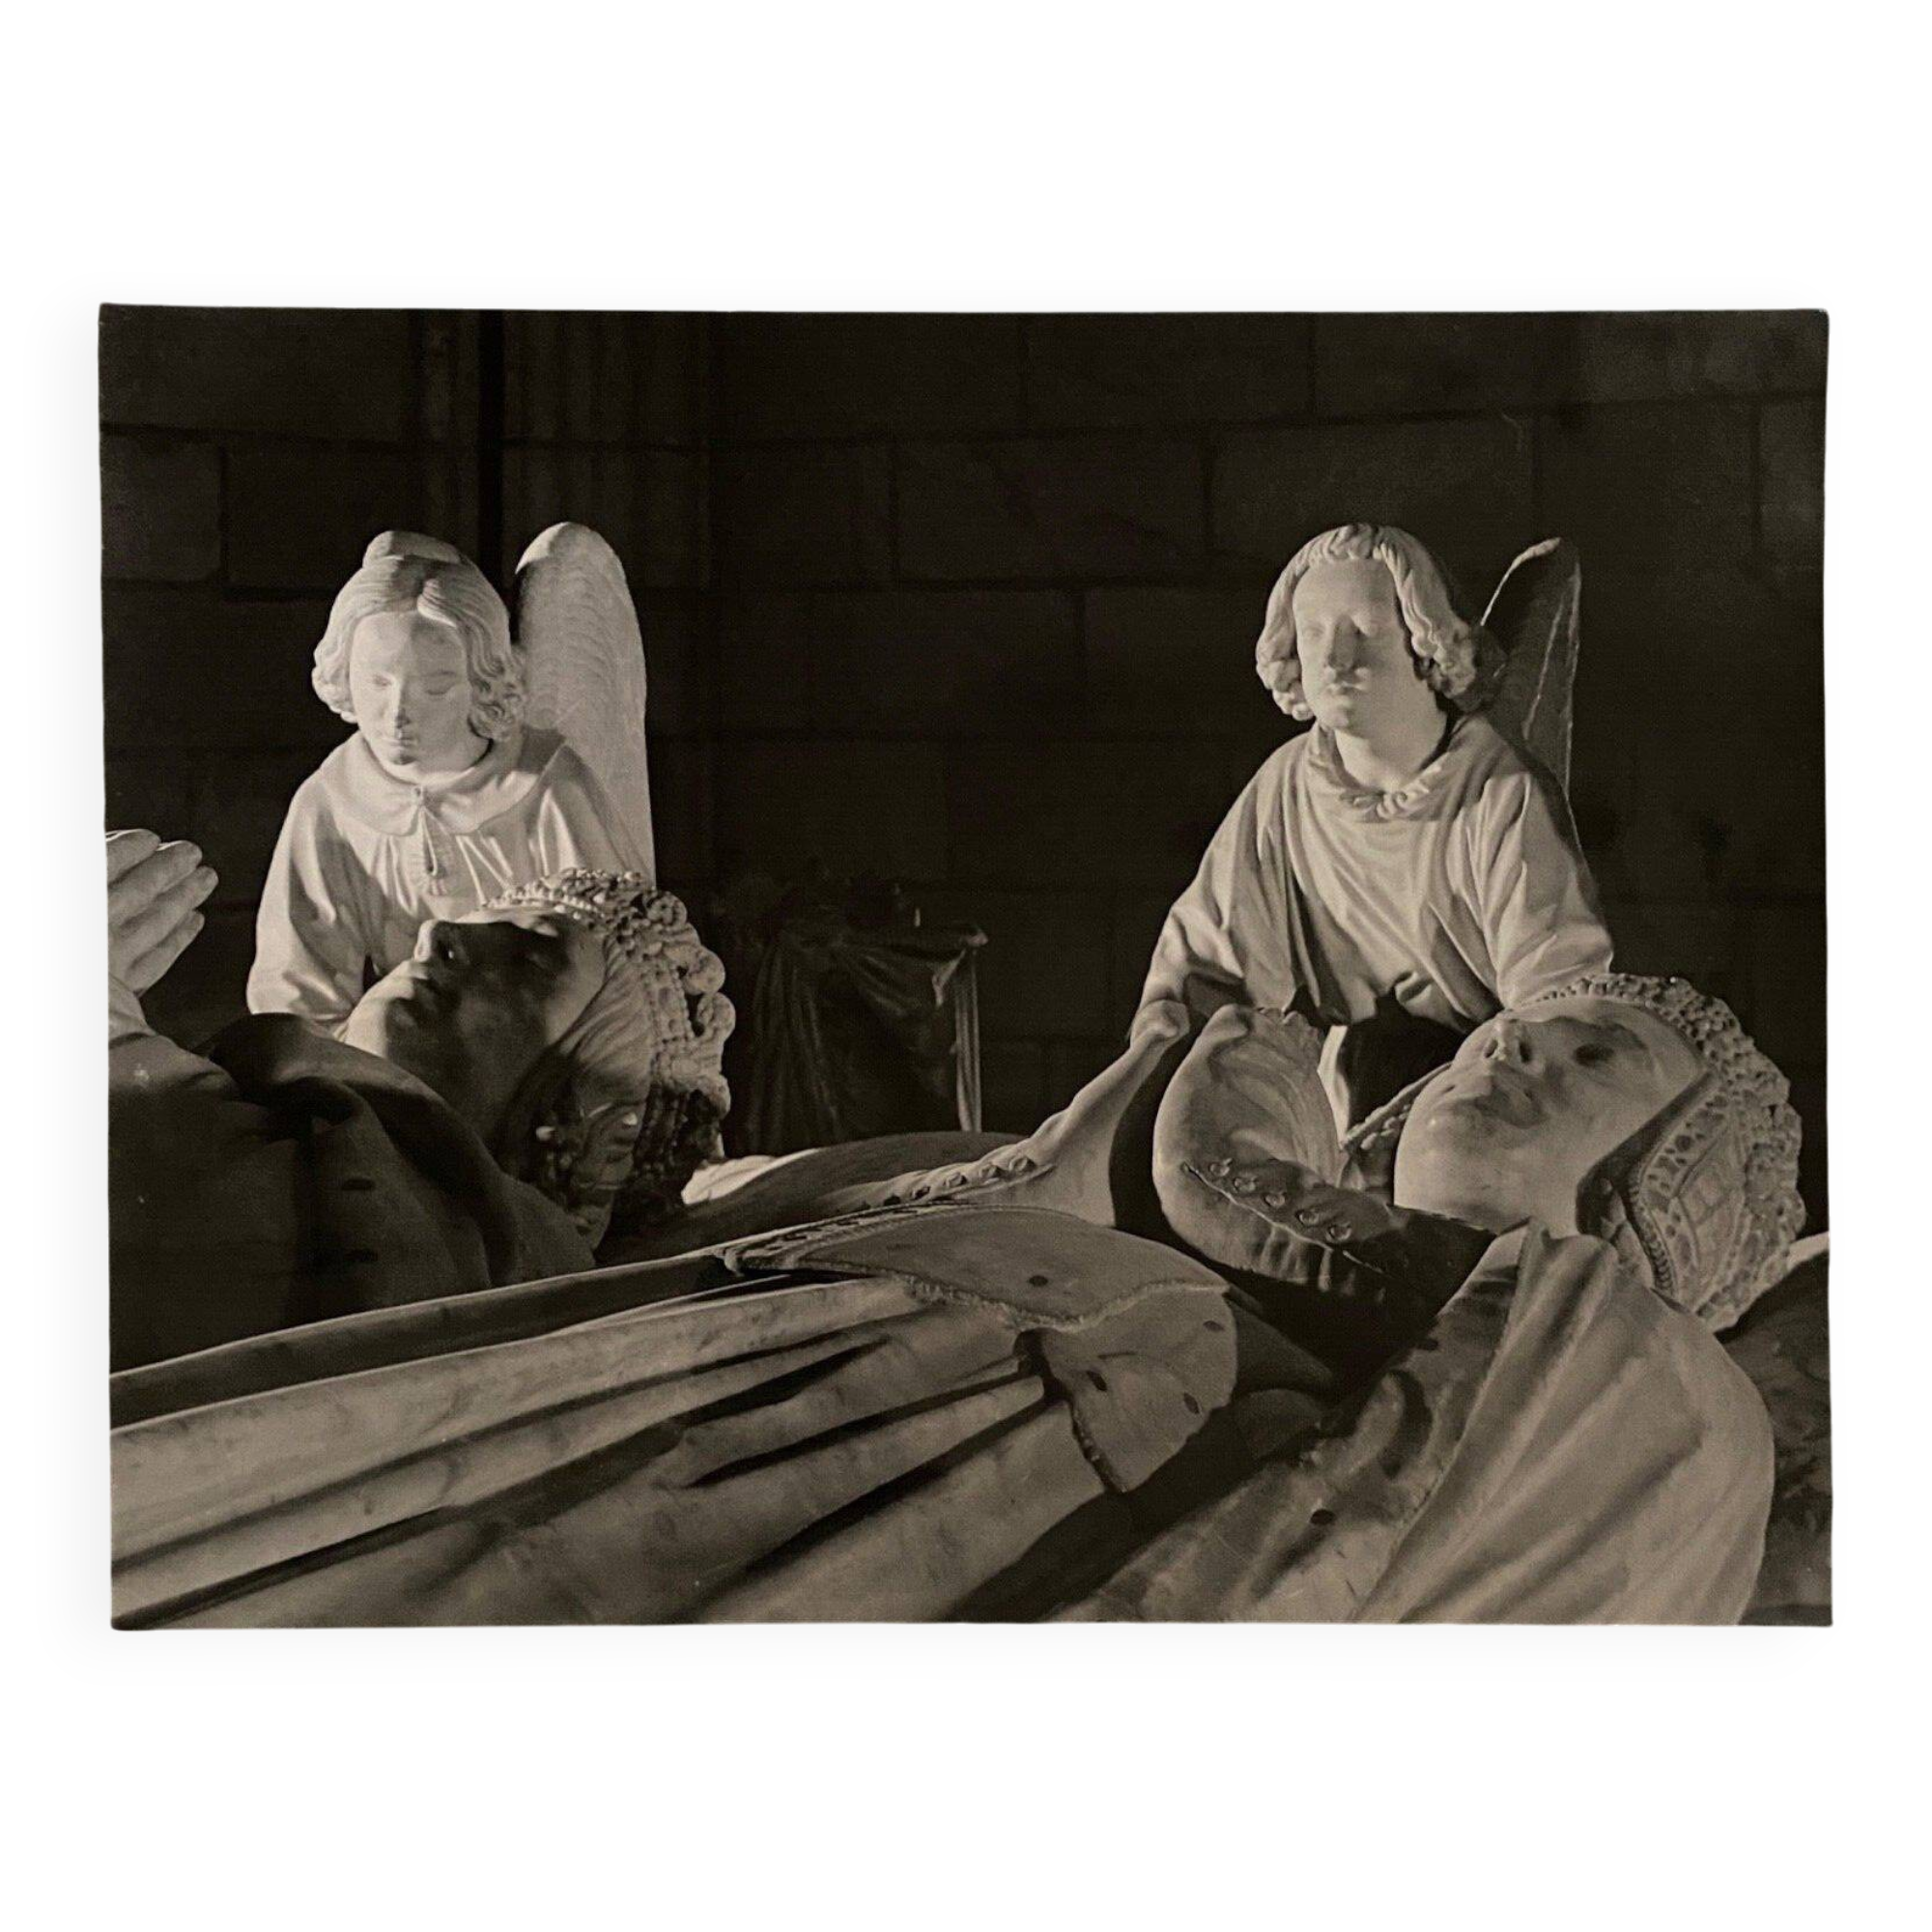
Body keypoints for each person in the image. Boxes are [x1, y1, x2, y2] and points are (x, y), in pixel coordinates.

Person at [109, 795, 1802, 1624]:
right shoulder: (1199, 1119)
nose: (1511, 1043)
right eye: (1521, 1025)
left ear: (1675, 1188)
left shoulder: (1634, 1383)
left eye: (1584, 1058)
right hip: (733, 1376)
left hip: (941, 1439)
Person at [108, 830, 730, 1372]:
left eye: (529, 961)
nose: (439, 930)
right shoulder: (270, 1097)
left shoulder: (495, 1241)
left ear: (571, 1121)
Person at [247, 534, 640, 1033]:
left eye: (434, 687)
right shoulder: (332, 801)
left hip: (539, 1054)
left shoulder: (546, 787)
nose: (397, 715)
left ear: (483, 681)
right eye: (376, 681)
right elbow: (296, 992)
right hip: (402, 1060)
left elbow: (619, 965)